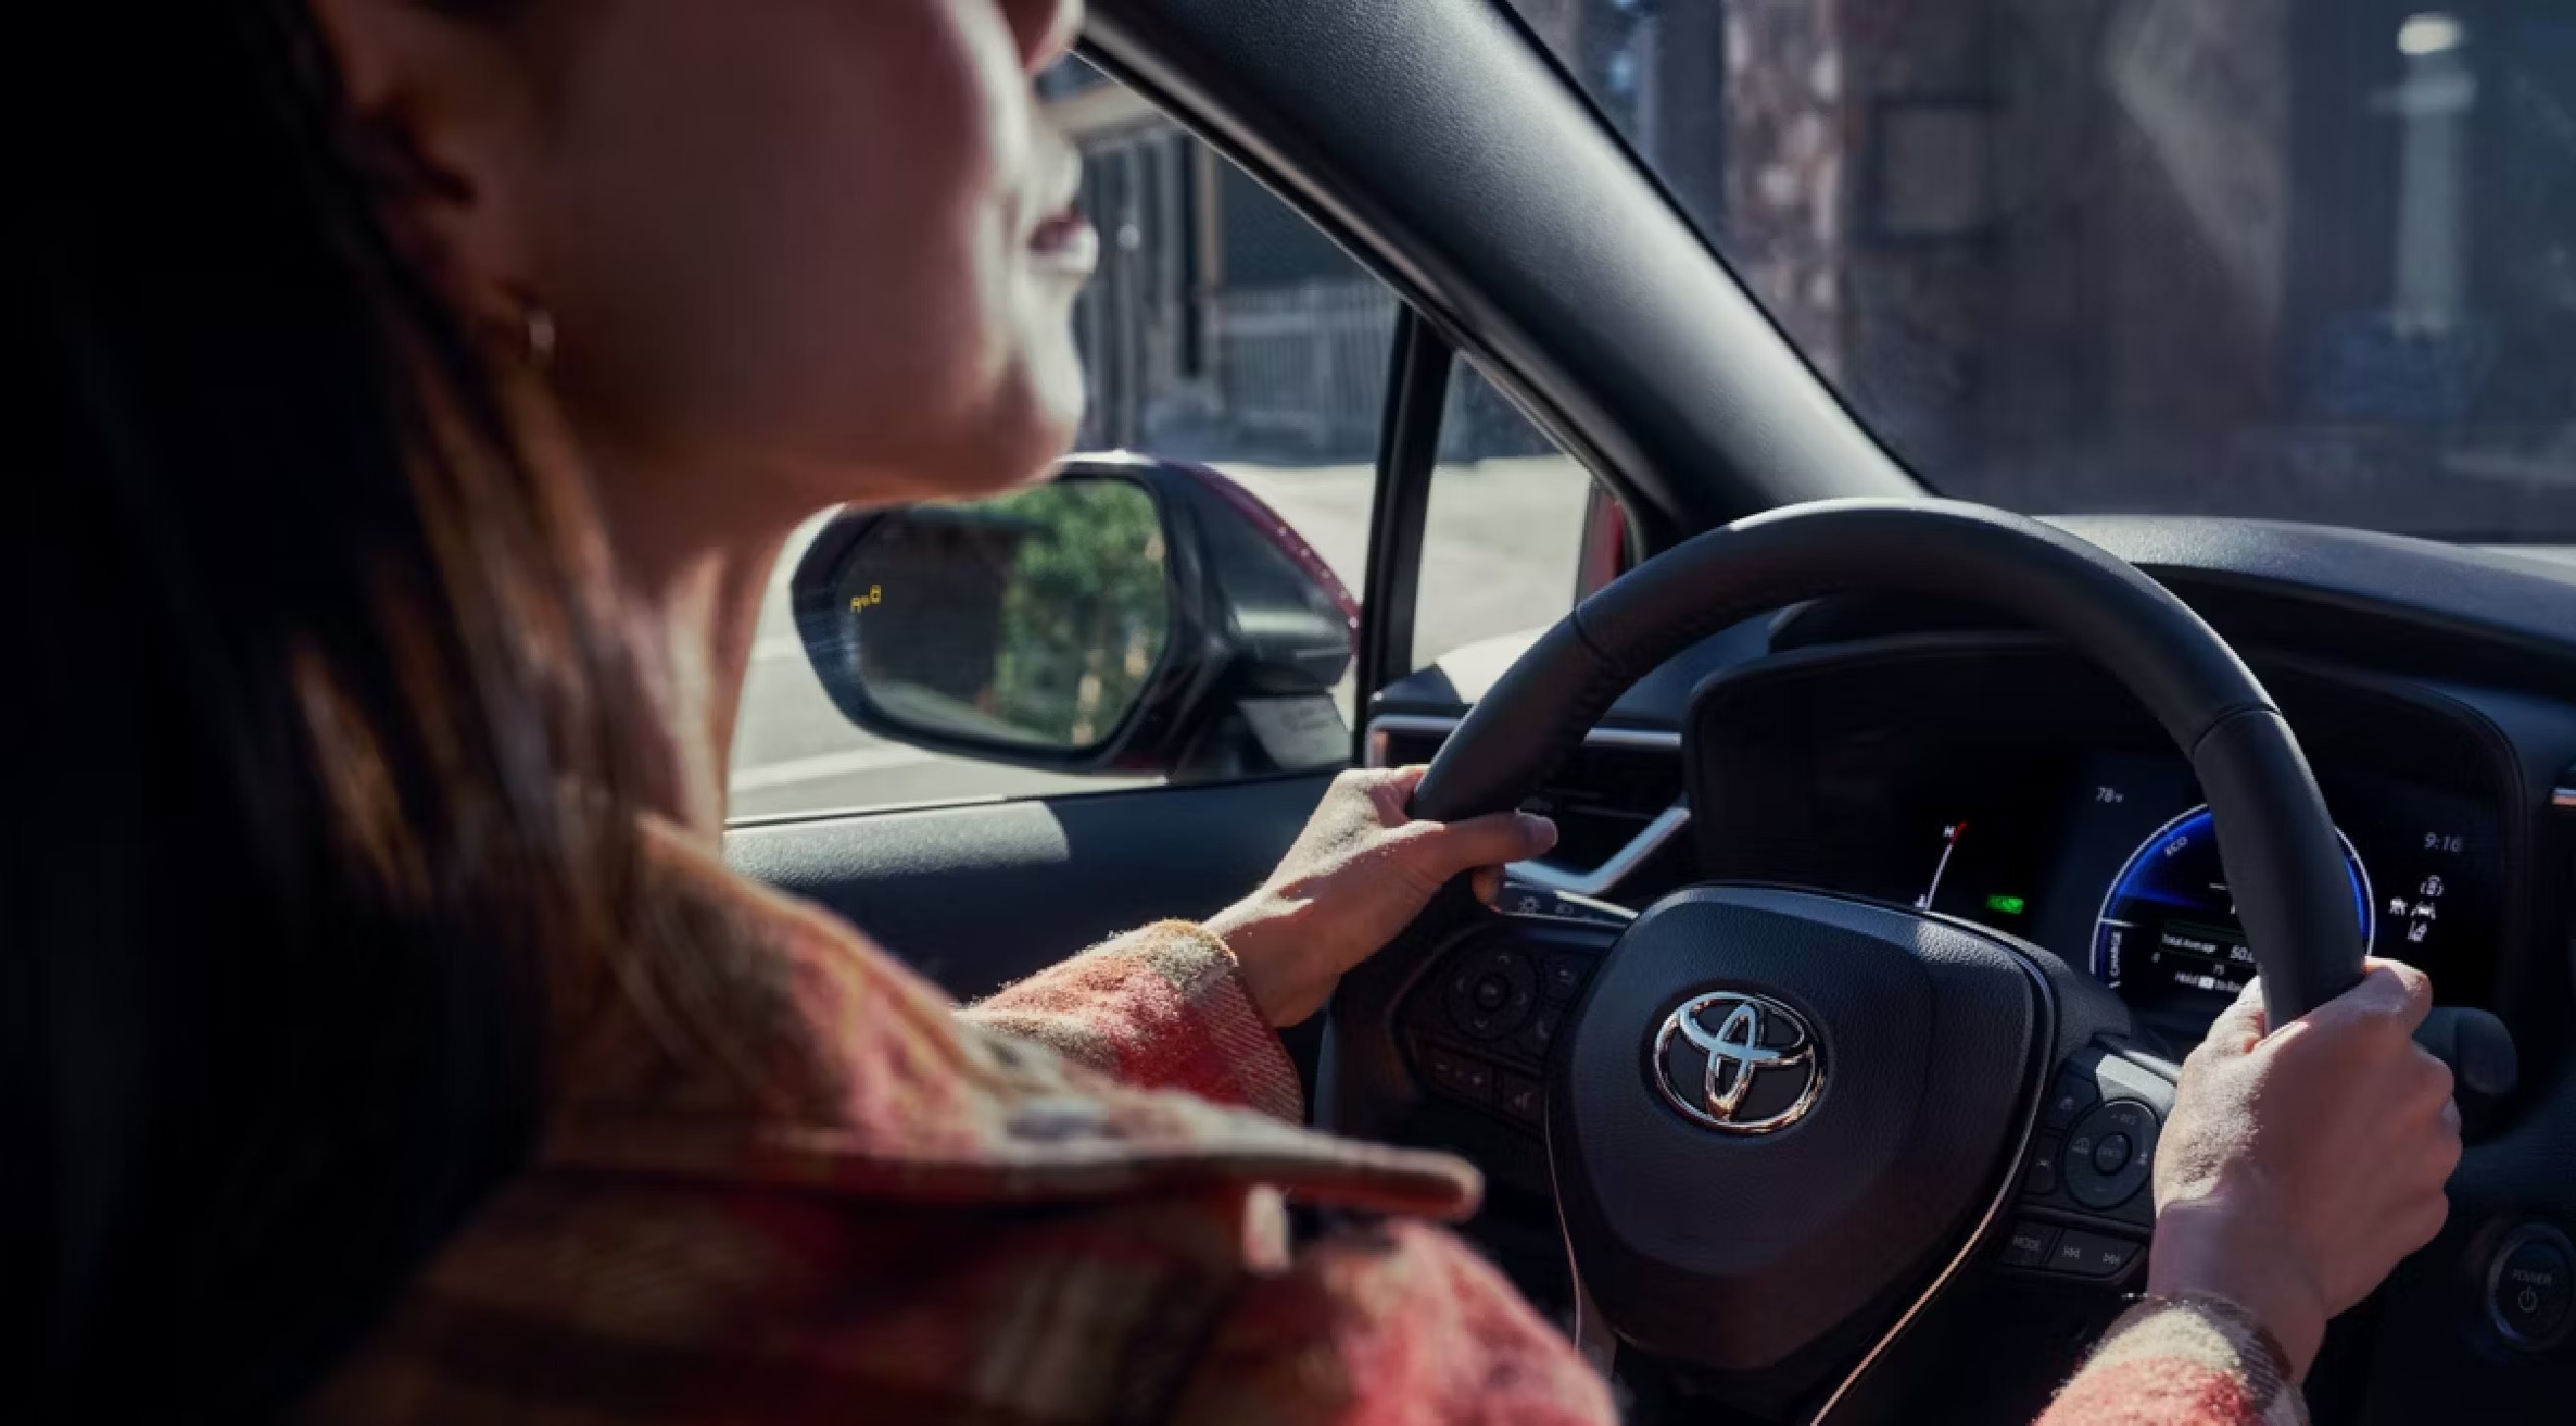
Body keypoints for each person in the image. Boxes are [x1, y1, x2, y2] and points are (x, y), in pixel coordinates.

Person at [13, 0, 2459, 1421]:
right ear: (421, 137)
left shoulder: (257, 1083)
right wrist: (2225, 1286)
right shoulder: (1213, 1349)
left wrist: (1233, 973)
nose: (1055, 15)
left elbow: (774, 1139)